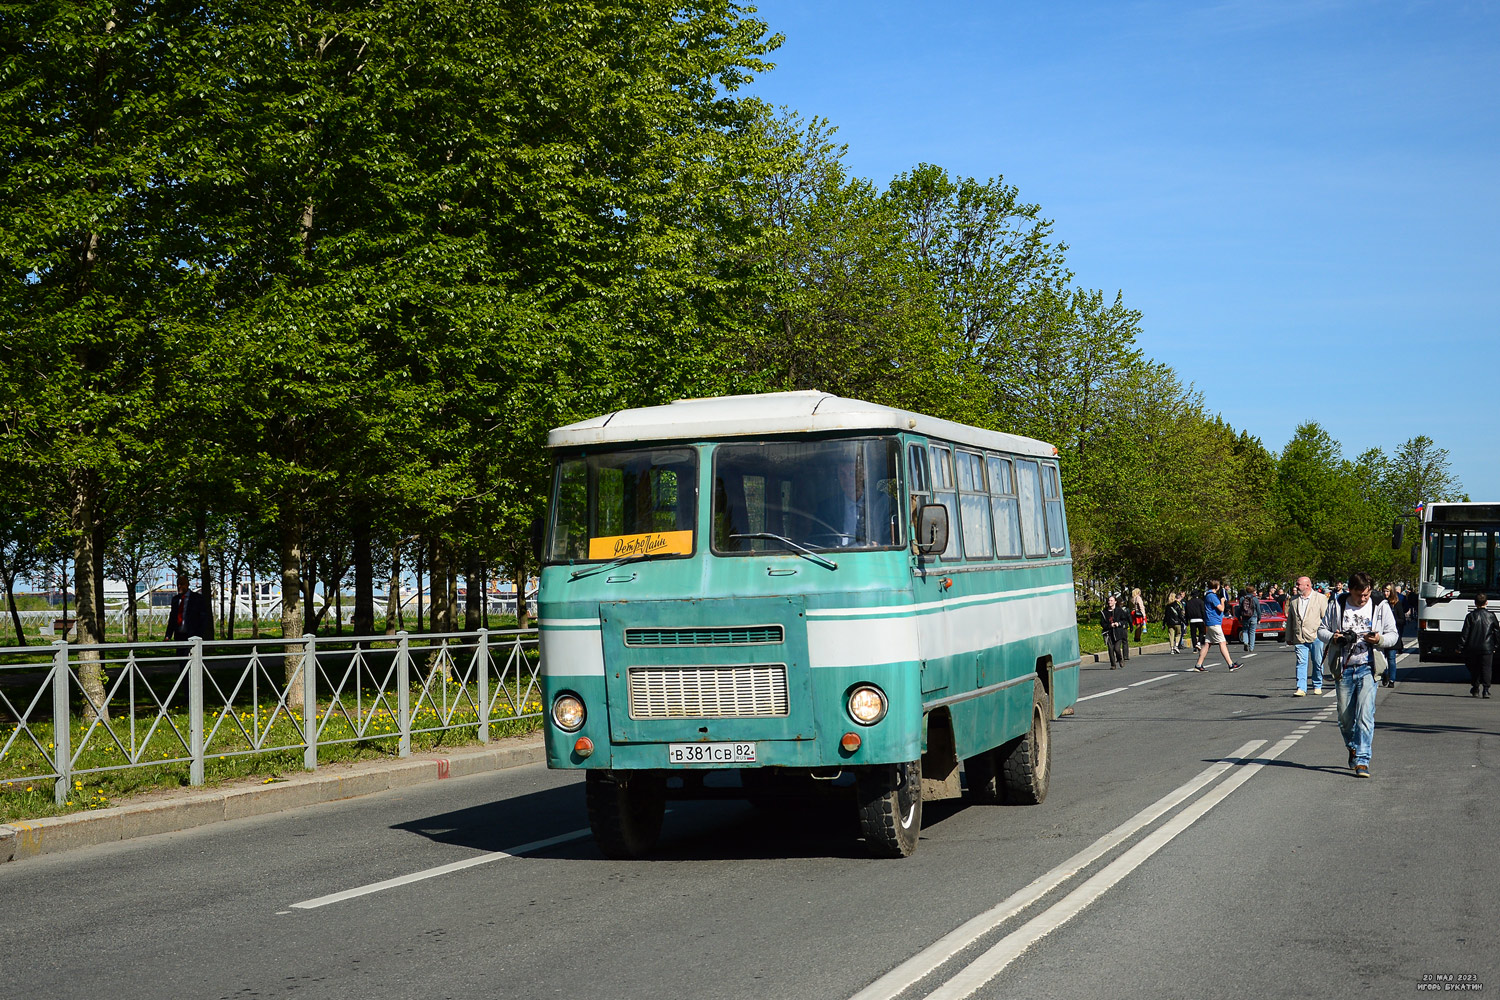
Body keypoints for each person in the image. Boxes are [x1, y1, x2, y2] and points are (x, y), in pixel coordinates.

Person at [1317, 571, 1398, 778]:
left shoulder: (1380, 605)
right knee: (1345, 718)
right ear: (1350, 590)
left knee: (1365, 715)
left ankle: (1363, 760)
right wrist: (1335, 637)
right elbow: (1321, 631)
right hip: (1344, 669)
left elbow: (1393, 636)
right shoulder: (1338, 604)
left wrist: (1379, 639)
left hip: (1368, 668)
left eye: (1366, 595)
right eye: (1359, 595)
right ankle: (1352, 747)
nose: (1363, 599)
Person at [1283, 575, 1329, 696]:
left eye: (1298, 584)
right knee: (1301, 662)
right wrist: (1288, 637)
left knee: (1317, 661)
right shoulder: (1294, 600)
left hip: (1316, 636)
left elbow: (1326, 618)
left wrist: (1328, 636)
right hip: (1299, 637)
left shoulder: (1320, 598)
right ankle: (1301, 688)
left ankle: (1317, 684)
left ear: (1308, 585)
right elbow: (1290, 621)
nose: (1296, 586)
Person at [1193, 578, 1241, 673]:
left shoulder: (1207, 595)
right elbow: (1221, 609)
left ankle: (1198, 664)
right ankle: (1231, 664)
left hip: (1210, 623)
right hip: (1214, 623)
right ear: (1217, 586)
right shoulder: (1212, 596)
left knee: (1207, 644)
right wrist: (1222, 600)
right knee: (1222, 643)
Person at [1456, 593, 1498, 698]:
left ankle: (1475, 688)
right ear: (1487, 602)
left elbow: (1465, 633)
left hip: (1472, 647)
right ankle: (1486, 689)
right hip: (1487, 647)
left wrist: (1460, 647)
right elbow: (1497, 632)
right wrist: (1495, 646)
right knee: (1487, 668)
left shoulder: (1470, 616)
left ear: (1475, 603)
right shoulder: (1491, 615)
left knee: (1475, 668)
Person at [164, 574, 213, 650]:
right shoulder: (175, 600)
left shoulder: (197, 599)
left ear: (188, 585)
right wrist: (168, 636)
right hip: (179, 636)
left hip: (193, 636)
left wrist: (200, 635)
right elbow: (172, 619)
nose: (179, 586)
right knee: (181, 659)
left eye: (182, 584)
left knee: (192, 659)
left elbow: (203, 618)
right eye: (178, 584)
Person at [1381, 583, 1407, 688]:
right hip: (1381, 635)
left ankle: (1392, 679)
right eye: (1384, 591)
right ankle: (1384, 675)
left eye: (1387, 591)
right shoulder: (1381, 604)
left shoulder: (1396, 604)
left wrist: (1391, 621)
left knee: (1391, 658)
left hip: (1392, 635)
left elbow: (1402, 620)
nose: (1385, 593)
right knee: (1382, 658)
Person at [1100, 594, 1130, 669]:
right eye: (1109, 601)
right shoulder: (1104, 612)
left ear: (1115, 602)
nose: (1109, 602)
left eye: (1111, 600)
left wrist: (1118, 623)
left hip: (1118, 633)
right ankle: (1113, 664)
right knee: (1110, 649)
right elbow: (1102, 623)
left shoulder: (1119, 610)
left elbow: (1124, 620)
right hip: (1109, 633)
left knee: (1117, 648)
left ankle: (1120, 659)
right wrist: (1110, 625)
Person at [1236, 586, 1260, 653]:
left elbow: (1239, 609)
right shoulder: (1255, 599)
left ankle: (1245, 642)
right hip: (1253, 617)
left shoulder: (1242, 598)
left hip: (1245, 617)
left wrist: (1238, 617)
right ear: (1253, 591)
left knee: (1245, 630)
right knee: (1252, 632)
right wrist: (1259, 618)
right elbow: (1258, 609)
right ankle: (1251, 647)